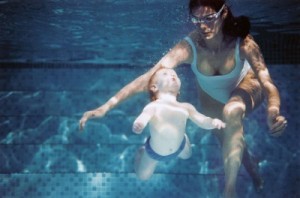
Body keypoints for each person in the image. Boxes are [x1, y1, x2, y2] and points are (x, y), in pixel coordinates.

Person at [79, 0, 287, 197]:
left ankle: (229, 191)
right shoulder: (190, 46)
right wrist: (106, 107)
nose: (202, 26)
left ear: (223, 13)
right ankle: (253, 167)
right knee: (228, 137)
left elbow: (266, 81)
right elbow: (148, 78)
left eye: (209, 18)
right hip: (211, 97)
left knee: (232, 112)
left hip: (248, 87)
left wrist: (273, 109)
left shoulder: (244, 44)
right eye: (196, 20)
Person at [131, 68, 225, 180]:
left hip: (180, 146)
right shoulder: (153, 106)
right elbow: (144, 117)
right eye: (165, 74)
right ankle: (141, 152)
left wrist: (212, 122)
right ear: (154, 87)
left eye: (174, 74)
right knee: (142, 176)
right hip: (154, 152)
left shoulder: (186, 107)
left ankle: (184, 137)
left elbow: (202, 120)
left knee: (187, 155)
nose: (172, 75)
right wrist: (139, 124)